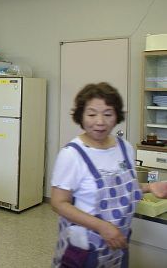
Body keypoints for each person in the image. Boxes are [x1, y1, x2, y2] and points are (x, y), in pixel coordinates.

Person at [51, 82, 167, 267]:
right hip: (83, 251)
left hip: (118, 245)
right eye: (91, 114)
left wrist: (150, 187)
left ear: (117, 116)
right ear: (81, 116)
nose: (100, 121)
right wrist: (102, 227)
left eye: (107, 114)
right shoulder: (72, 154)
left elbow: (122, 187)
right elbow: (58, 203)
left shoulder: (125, 148)